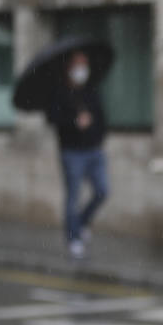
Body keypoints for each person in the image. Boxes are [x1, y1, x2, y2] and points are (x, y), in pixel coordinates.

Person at [45, 50, 108, 259]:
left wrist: (97, 136)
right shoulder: (60, 93)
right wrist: (74, 122)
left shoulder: (91, 91)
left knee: (102, 191)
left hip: (94, 150)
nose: (82, 69)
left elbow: (101, 117)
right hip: (72, 152)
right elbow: (53, 119)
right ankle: (73, 238)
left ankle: (80, 223)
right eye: (78, 65)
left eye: (85, 64)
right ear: (70, 68)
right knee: (73, 197)